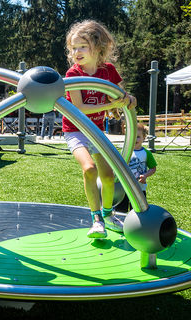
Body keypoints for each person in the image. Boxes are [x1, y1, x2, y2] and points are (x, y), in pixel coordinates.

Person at [63, 20, 137, 238]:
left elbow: (120, 95)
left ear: (97, 46)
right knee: (89, 169)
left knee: (108, 176)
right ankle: (96, 220)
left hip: (95, 130)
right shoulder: (73, 74)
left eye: (82, 47)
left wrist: (128, 99)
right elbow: (79, 109)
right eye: (73, 48)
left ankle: (108, 214)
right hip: (76, 130)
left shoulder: (108, 71)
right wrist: (111, 105)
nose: (76, 52)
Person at [114, 123, 156, 213]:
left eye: (138, 137)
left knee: (138, 211)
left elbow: (153, 168)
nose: (134, 139)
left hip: (140, 188)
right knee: (120, 211)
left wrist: (145, 176)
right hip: (123, 188)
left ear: (144, 138)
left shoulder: (146, 153)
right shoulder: (124, 151)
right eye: (132, 136)